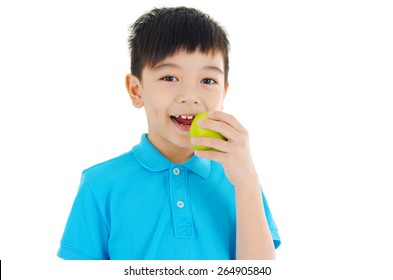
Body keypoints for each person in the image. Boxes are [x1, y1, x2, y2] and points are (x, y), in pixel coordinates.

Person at [57, 6, 281, 260]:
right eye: (170, 77)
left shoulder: (240, 182)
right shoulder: (99, 184)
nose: (190, 96)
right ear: (136, 90)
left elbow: (260, 272)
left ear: (224, 92)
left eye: (208, 81)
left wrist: (247, 180)